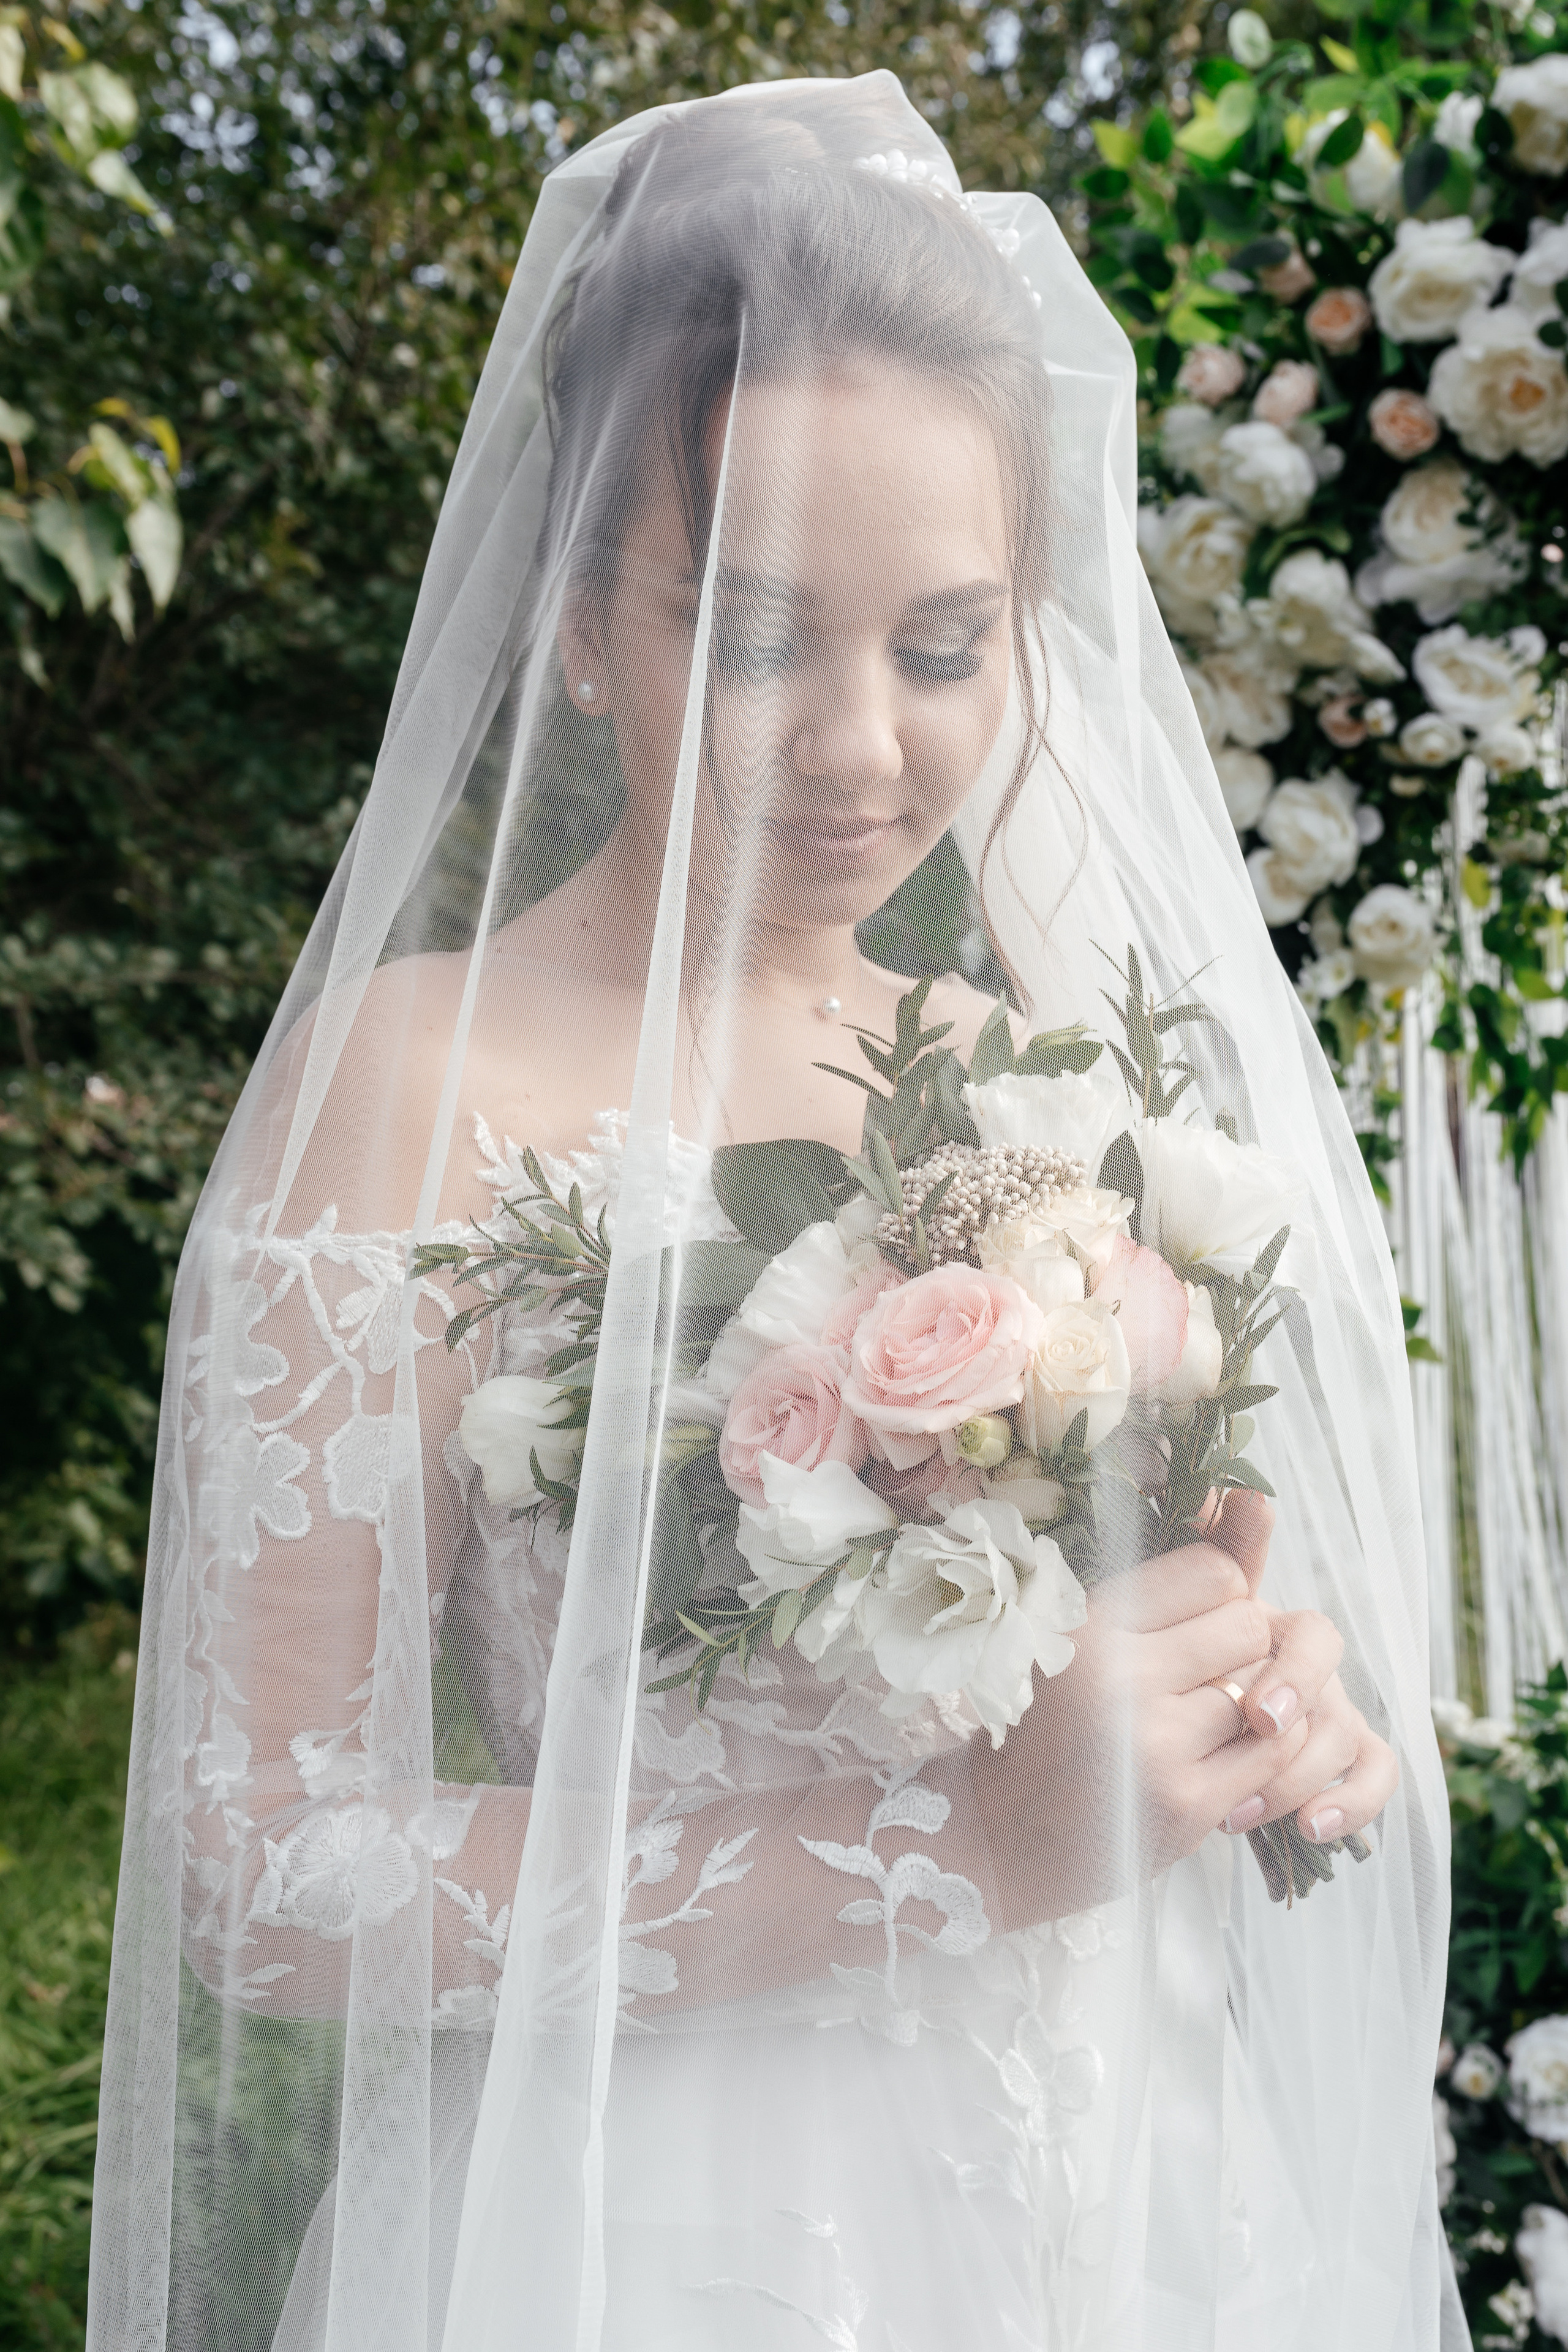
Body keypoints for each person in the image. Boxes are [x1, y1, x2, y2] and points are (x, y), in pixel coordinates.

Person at [88, 74, 1461, 2352]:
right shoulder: (404, 1090)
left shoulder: (1038, 1054)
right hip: (657, 2227)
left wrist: (1255, 1693)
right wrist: (951, 1859)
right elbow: (259, 1869)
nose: (858, 744)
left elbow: (1116, 1613)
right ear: (577, 627)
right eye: (753, 638)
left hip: (1137, 2188)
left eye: (942, 646)